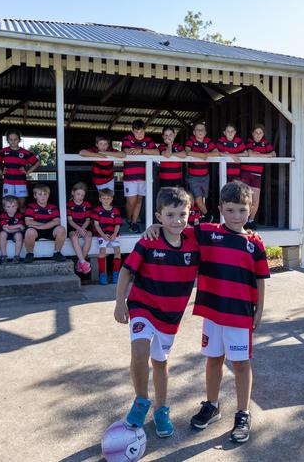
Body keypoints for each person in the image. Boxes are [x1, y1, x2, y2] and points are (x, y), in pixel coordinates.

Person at [144, 181, 270, 443]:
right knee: (213, 360)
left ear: (250, 209)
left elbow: (260, 279)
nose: (236, 216)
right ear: (221, 208)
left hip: (239, 315)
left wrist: (259, 310)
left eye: (242, 210)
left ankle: (243, 413)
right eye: (231, 210)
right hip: (213, 314)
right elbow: (175, 228)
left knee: (241, 364)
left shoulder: (255, 244)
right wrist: (155, 226)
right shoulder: (206, 233)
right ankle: (212, 405)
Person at [114, 187, 199, 437]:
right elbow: (126, 272)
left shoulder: (194, 242)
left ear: (190, 214)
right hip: (142, 306)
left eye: (182, 214)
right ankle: (141, 401)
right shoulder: (149, 240)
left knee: (160, 363)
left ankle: (161, 410)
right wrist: (120, 303)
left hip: (170, 316)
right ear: (159, 216)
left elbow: (221, 234)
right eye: (170, 215)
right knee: (139, 351)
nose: (177, 220)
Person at [122, 119, 159, 233]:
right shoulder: (127, 138)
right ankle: (128, 219)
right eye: (137, 132)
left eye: (141, 131)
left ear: (144, 131)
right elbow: (126, 151)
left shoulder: (148, 140)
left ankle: (133, 223)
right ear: (133, 131)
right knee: (131, 202)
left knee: (139, 200)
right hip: (130, 177)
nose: (139, 134)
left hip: (144, 177)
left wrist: (141, 150)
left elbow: (157, 152)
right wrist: (145, 152)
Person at [0, 128, 41, 212]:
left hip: (21, 182)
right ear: (7, 140)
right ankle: (8, 223)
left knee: (22, 204)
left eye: (15, 139)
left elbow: (37, 162)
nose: (13, 141)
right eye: (10, 139)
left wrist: (27, 172)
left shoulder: (25, 152)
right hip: (8, 182)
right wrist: (0, 172)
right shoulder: (3, 151)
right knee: (7, 204)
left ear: (19, 140)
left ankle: (22, 222)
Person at [241, 124, 276, 230]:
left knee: (256, 200)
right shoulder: (249, 142)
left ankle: (250, 221)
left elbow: (274, 153)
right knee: (245, 199)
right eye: (256, 132)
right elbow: (250, 154)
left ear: (263, 134)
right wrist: (265, 155)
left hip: (257, 175)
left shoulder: (265, 143)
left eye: (260, 133)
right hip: (246, 174)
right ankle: (243, 221)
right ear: (252, 133)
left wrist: (259, 154)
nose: (258, 135)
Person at [24, 183, 67, 263]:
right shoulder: (31, 206)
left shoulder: (52, 207)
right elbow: (28, 221)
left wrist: (41, 226)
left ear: (48, 195)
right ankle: (29, 254)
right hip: (36, 231)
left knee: (61, 229)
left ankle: (57, 253)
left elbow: (57, 221)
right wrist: (44, 225)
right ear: (35, 196)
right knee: (29, 231)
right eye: (40, 194)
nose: (43, 196)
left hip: (50, 231)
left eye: (45, 194)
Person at [185, 123, 218, 222]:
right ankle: (209, 216)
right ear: (194, 132)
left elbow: (217, 152)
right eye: (197, 129)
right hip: (193, 177)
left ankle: (199, 218)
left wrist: (206, 154)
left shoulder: (208, 141)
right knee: (198, 200)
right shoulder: (191, 140)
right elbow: (187, 151)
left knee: (202, 199)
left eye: (202, 130)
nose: (200, 131)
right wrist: (201, 155)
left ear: (205, 132)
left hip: (205, 176)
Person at [92, 188, 122, 285]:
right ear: (100, 199)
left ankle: (116, 274)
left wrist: (114, 234)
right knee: (102, 251)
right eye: (103, 198)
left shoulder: (115, 211)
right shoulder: (97, 210)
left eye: (108, 198)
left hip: (113, 234)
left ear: (112, 199)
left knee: (117, 251)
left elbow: (117, 224)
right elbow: (96, 225)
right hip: (102, 234)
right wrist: (103, 235)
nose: (106, 200)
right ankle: (102, 274)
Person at [66, 182, 93, 274]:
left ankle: (80, 262)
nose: (80, 197)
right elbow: (70, 220)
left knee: (88, 237)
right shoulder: (69, 204)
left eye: (82, 195)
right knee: (73, 237)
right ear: (73, 193)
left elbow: (88, 220)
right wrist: (78, 229)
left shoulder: (87, 205)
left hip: (85, 227)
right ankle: (82, 262)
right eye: (78, 194)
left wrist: (82, 228)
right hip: (73, 227)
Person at [0, 195, 25, 264]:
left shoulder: (20, 215)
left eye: (13, 206)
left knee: (19, 235)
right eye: (8, 207)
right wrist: (18, 226)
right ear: (4, 208)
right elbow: (5, 228)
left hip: (16, 233)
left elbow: (22, 228)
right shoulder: (2, 216)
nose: (11, 209)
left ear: (17, 206)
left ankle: (17, 256)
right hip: (6, 233)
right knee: (2, 234)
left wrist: (12, 228)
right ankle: (4, 256)